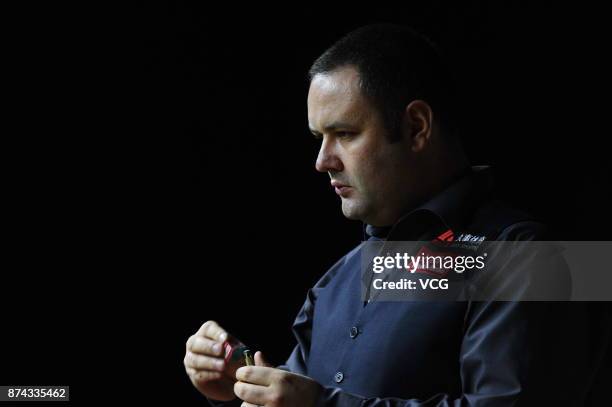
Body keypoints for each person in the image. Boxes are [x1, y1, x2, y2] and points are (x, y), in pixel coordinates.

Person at [184, 24, 609, 406]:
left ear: (417, 127)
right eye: (319, 137)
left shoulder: (545, 261)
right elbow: (303, 395)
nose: (321, 161)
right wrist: (241, 380)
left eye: (345, 134)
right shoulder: (337, 281)